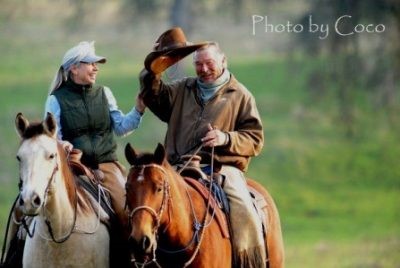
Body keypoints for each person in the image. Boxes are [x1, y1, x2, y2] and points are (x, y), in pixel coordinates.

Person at [2, 41, 143, 267]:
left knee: (125, 210)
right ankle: (10, 258)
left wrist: (138, 110)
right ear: (74, 68)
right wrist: (63, 144)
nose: (96, 68)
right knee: (20, 210)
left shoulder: (104, 93)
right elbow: (51, 134)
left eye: (97, 65)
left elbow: (121, 127)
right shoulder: (56, 98)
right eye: (91, 64)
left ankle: (132, 262)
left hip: (107, 165)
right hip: (71, 164)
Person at [140, 28, 266, 268]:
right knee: (144, 202)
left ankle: (249, 260)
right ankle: (143, 259)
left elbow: (255, 139)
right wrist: (155, 64)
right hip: (176, 165)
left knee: (242, 208)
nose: (204, 69)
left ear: (223, 61)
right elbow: (153, 95)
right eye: (199, 65)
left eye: (210, 63)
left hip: (220, 168)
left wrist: (225, 138)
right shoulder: (182, 89)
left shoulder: (240, 95)